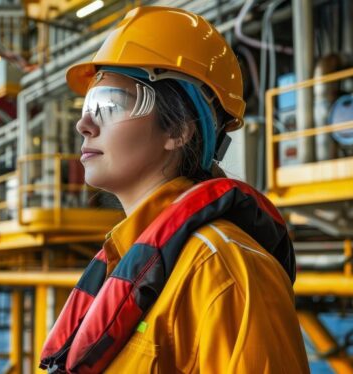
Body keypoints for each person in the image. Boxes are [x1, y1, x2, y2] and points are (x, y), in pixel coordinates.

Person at [39, 6, 309, 373]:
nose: (84, 124)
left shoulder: (224, 270)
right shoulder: (125, 259)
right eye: (87, 105)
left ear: (179, 129)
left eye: (109, 105)